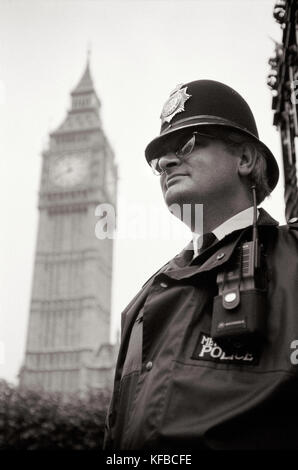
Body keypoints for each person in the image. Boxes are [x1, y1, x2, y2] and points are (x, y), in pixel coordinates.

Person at [103, 80, 298, 450]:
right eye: (160, 160)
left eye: (189, 144)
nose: (166, 163)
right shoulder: (143, 300)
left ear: (245, 159)